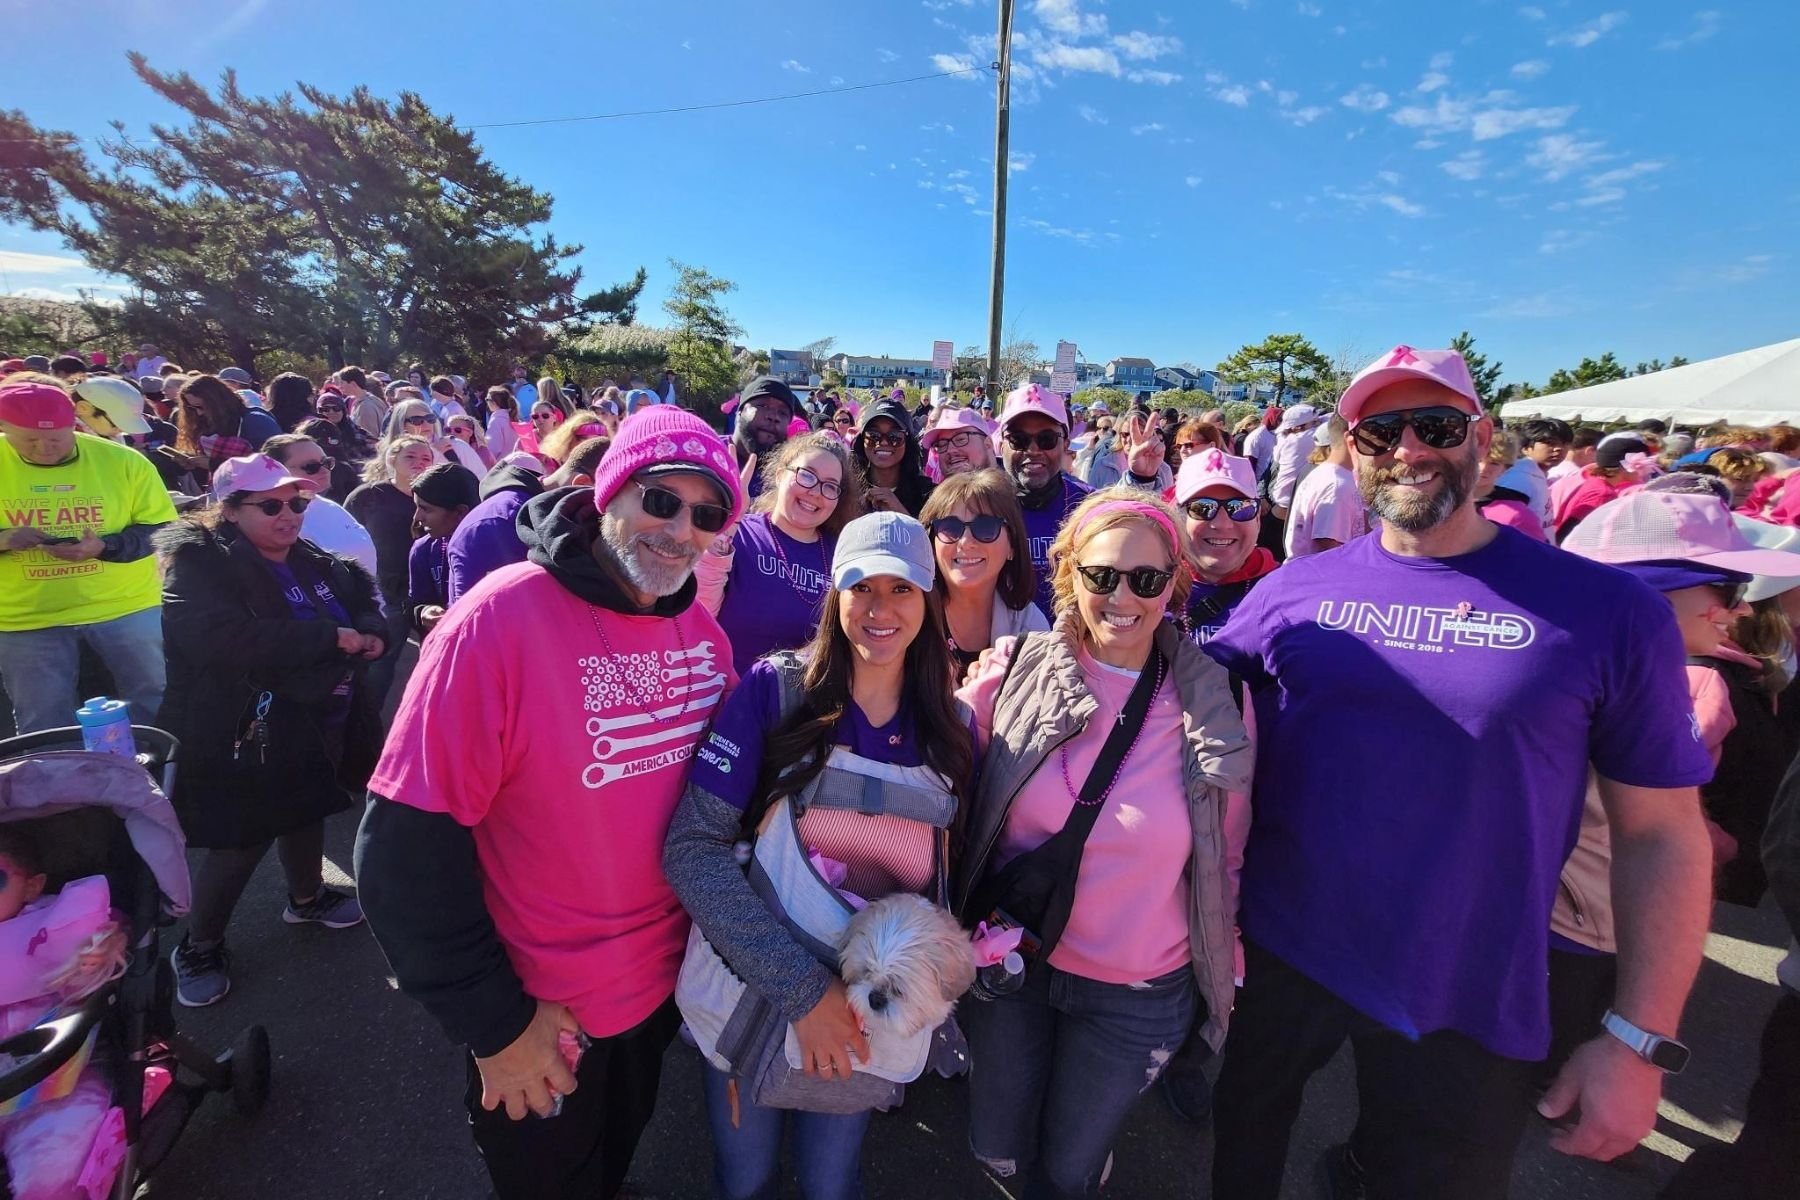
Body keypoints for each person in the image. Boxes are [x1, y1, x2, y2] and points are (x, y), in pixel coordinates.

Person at [1204, 344, 1716, 1200]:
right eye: (1379, 432)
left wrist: (1639, 1039)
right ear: (1352, 450)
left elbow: (1663, 835)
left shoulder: (1609, 613)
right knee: (1245, 1140)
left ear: (1482, 437)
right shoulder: (1295, 588)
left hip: (1468, 977)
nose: (1408, 450)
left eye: (1435, 425)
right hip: (1287, 948)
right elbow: (1179, 696)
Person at [356, 408, 742, 1200]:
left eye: (706, 514)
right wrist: (496, 1029)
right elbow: (401, 854)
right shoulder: (501, 617)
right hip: (545, 1018)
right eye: (659, 499)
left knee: (611, 1168)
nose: (679, 529)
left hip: (662, 996)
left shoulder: (705, 640)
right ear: (608, 491)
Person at [665, 510, 973, 1200]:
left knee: (831, 1187)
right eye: (863, 587)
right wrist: (805, 995)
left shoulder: (954, 732)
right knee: (743, 1182)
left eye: (903, 590)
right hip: (750, 1001)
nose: (881, 609)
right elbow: (693, 848)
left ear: (930, 599)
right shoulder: (773, 695)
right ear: (835, 593)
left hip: (872, 1025)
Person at [952, 488, 1252, 1197]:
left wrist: (1225, 948)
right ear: (1069, 575)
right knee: (996, 1145)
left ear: (1174, 584)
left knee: (1068, 1167)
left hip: (1136, 989)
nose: (1123, 596)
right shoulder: (1012, 672)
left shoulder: (1218, 703)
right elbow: (942, 798)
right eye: (1102, 575)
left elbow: (1226, 853)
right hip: (1013, 961)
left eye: (1146, 579)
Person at [158, 453, 386, 1006]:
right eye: (270, 505)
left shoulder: (308, 556)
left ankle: (307, 898)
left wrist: (375, 631)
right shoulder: (201, 566)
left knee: (309, 802)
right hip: (240, 719)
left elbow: (363, 601)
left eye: (296, 503)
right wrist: (332, 639)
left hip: (316, 712)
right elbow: (220, 640)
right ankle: (198, 945)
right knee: (246, 832)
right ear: (230, 511)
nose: (289, 516)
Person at [0, 376, 176, 733]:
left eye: (56, 438)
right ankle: (56, 785)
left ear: (74, 423)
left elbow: (163, 531)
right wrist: (5, 540)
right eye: (29, 440)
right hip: (27, 618)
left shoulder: (123, 461)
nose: (44, 448)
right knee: (42, 716)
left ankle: (165, 777)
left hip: (126, 606)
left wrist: (104, 546)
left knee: (155, 697)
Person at [696, 432, 862, 677]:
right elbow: (698, 615)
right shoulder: (740, 533)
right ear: (780, 475)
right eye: (806, 475)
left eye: (830, 486)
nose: (815, 492)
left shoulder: (842, 554)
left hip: (806, 708)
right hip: (729, 701)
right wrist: (724, 530)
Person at [918, 468, 1047, 673]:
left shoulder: (1029, 625)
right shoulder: (912, 616)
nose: (966, 542)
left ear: (1012, 547)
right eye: (950, 527)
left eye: (986, 527)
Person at [345, 434, 437, 706]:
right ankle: (367, 723)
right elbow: (345, 538)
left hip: (424, 592)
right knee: (380, 664)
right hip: (383, 592)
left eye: (425, 458)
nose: (418, 462)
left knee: (432, 659)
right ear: (392, 459)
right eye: (410, 456)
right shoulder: (369, 496)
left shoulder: (434, 498)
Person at [1000, 383, 1093, 614]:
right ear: (1002, 444)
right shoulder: (983, 505)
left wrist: (1142, 477)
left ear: (1066, 445)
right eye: (1018, 439)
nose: (1033, 450)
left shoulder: (1090, 507)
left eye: (1047, 439)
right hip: (1001, 644)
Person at [1175, 447, 1279, 645]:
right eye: (1202, 507)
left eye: (1240, 507)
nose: (1222, 524)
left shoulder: (1284, 592)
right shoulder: (1151, 586)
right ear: (1178, 518)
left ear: (1257, 519)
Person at [262, 433, 379, 584]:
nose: (324, 470)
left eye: (326, 463)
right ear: (277, 470)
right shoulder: (275, 518)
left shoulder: (328, 505)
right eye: (311, 467)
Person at [406, 463, 480, 638]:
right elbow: (414, 604)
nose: (417, 517)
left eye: (426, 509)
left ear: (460, 512)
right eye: (416, 507)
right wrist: (423, 612)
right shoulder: (423, 550)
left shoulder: (489, 546)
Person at [1282, 414, 1366, 559]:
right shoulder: (1336, 485)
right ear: (1352, 439)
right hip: (1324, 578)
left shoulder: (1332, 475)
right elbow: (1329, 549)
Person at [173, 374, 281, 482]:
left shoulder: (256, 420)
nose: (199, 413)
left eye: (200, 406)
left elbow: (273, 463)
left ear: (216, 402)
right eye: (191, 408)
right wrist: (193, 462)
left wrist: (214, 464)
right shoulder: (208, 423)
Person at [1552, 435, 1651, 542]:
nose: (1644, 472)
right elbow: (1570, 529)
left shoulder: (1593, 481)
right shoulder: (1603, 494)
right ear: (1626, 468)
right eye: (1643, 466)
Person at [851, 395, 934, 517]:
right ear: (862, 440)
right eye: (874, 436)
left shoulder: (927, 493)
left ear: (908, 442)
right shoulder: (847, 490)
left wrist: (900, 512)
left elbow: (932, 535)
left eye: (894, 437)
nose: (883, 442)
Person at [732, 377, 799, 498]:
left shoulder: (790, 475)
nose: (774, 416)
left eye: (783, 413)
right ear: (740, 412)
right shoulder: (706, 455)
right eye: (763, 406)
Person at [1474, 428, 1547, 540]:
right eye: (1478, 460)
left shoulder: (1517, 514)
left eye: (1494, 463)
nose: (1484, 468)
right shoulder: (1443, 502)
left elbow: (1538, 553)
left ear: (1505, 468)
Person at [1081, 409, 1172, 494]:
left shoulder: (1163, 470)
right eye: (1125, 434)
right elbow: (1092, 500)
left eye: (1138, 434)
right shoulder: (1102, 465)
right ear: (1119, 436)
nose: (1130, 439)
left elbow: (1168, 505)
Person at [1511, 417, 1573, 527]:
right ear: (1526, 448)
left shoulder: (1536, 475)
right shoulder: (1518, 480)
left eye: (1565, 444)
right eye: (1550, 443)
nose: (1559, 448)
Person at [920, 406, 995, 478]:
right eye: (942, 444)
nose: (950, 450)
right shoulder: (934, 490)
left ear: (988, 444)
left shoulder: (1006, 489)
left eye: (960, 439)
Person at [337, 367, 388, 441]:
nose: (340, 387)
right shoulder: (367, 400)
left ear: (353, 384)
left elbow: (370, 438)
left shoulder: (365, 406)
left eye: (342, 383)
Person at [484, 386, 521, 459]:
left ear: (494, 402)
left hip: (502, 466)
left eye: (487, 399)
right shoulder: (514, 418)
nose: (486, 402)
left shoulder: (496, 421)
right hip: (515, 463)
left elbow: (493, 449)